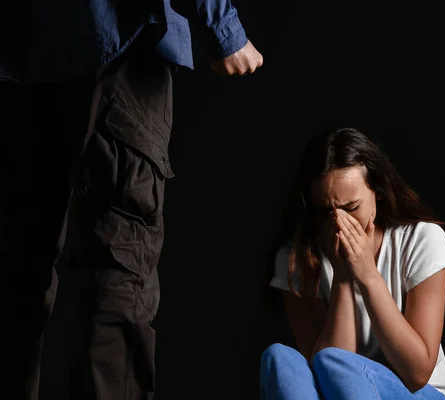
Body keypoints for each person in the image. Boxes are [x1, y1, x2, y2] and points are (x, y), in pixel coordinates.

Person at [0, 1, 263, 399]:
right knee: (119, 260)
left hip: (19, 51)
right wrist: (223, 27)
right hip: (115, 41)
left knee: (17, 265)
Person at [260, 128, 445, 399]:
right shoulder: (296, 258)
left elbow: (417, 374)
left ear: (378, 192)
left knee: (340, 365)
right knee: (279, 358)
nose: (338, 223)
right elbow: (325, 373)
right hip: (342, 389)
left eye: (351, 208)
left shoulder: (421, 239)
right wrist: (342, 277)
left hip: (417, 394)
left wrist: (366, 273)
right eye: (325, 212)